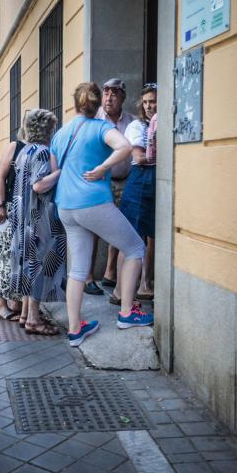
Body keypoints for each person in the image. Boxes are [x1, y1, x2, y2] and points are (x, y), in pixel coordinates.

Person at [50, 82, 153, 347]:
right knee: (135, 248)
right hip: (93, 202)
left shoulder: (61, 133)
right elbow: (126, 147)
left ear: (75, 103)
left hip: (65, 206)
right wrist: (102, 168)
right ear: (97, 104)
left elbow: (54, 168)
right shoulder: (101, 127)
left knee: (79, 268)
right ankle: (128, 312)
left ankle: (75, 329)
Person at [9, 109, 66, 335]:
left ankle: (25, 314)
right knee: (38, 264)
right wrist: (61, 172)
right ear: (47, 129)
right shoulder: (43, 152)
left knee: (26, 263)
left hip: (22, 215)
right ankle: (33, 319)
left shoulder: (24, 151)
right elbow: (39, 185)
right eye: (53, 127)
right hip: (38, 215)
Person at [82, 78, 138, 295]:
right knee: (93, 230)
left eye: (115, 93)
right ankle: (88, 277)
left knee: (120, 227)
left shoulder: (132, 122)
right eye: (106, 93)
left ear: (122, 97)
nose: (109, 97)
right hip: (99, 181)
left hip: (125, 181)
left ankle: (110, 272)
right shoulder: (94, 121)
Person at [112, 85, 158, 303]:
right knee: (132, 239)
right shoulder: (136, 126)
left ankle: (144, 284)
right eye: (146, 102)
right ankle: (119, 292)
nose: (149, 106)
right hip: (139, 182)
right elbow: (139, 157)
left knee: (151, 238)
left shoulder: (157, 124)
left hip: (153, 183)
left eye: (154, 101)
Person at [0, 128, 27, 321]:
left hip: (29, 211)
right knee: (7, 255)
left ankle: (16, 302)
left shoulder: (43, 148)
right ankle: (0, 304)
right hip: (13, 207)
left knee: (22, 259)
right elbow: (0, 175)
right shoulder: (16, 146)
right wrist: (0, 205)